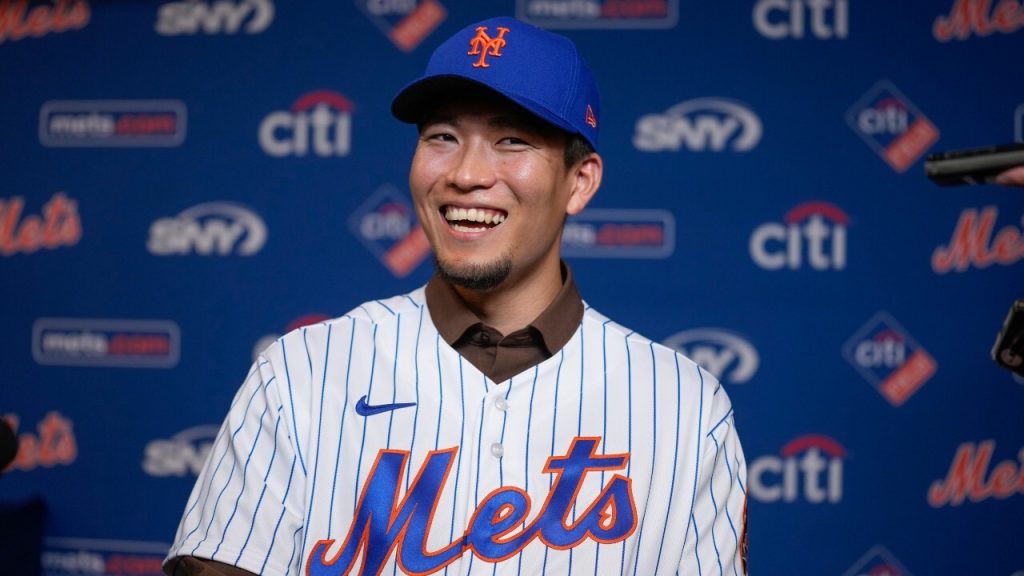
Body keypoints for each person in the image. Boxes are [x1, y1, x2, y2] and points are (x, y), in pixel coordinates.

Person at [163, 16, 747, 576]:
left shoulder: (685, 408)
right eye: (442, 136)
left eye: (512, 140)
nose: (466, 173)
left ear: (580, 182)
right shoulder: (300, 373)